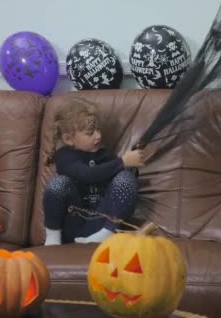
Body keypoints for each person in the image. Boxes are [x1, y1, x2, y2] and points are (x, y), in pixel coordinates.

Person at [42, 97, 145, 246]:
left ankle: (107, 233)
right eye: (90, 132)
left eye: (98, 129)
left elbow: (119, 188)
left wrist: (130, 167)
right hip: (73, 223)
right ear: (68, 139)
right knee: (58, 184)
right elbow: (86, 174)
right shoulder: (64, 156)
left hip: (102, 221)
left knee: (126, 178)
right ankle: (52, 236)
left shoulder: (106, 155)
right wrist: (122, 162)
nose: (98, 135)